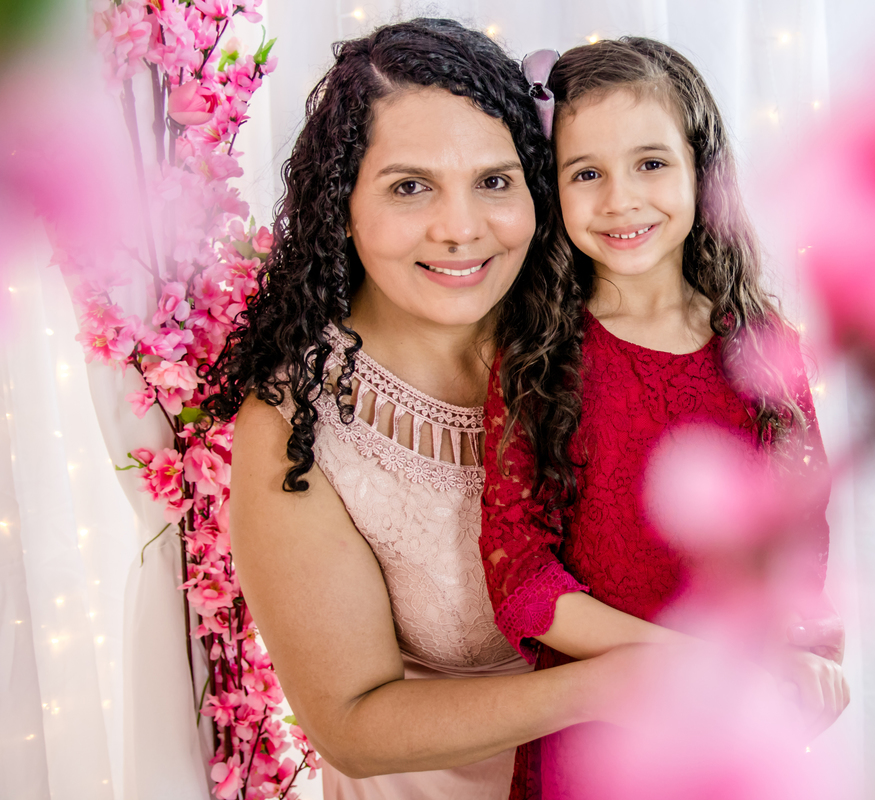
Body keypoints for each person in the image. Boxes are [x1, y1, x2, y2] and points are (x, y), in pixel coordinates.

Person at [207, 19, 645, 800]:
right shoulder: (296, 426)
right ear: (341, 204)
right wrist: (611, 685)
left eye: (494, 180)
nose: (460, 228)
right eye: (410, 186)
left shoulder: (607, 335)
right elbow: (350, 724)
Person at [482, 37, 850, 798]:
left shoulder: (764, 348)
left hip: (739, 725)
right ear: (553, 190)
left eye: (650, 163)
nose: (621, 199)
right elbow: (523, 581)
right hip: (601, 732)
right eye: (586, 173)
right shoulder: (538, 357)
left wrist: (803, 660)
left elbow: (800, 537)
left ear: (699, 171)